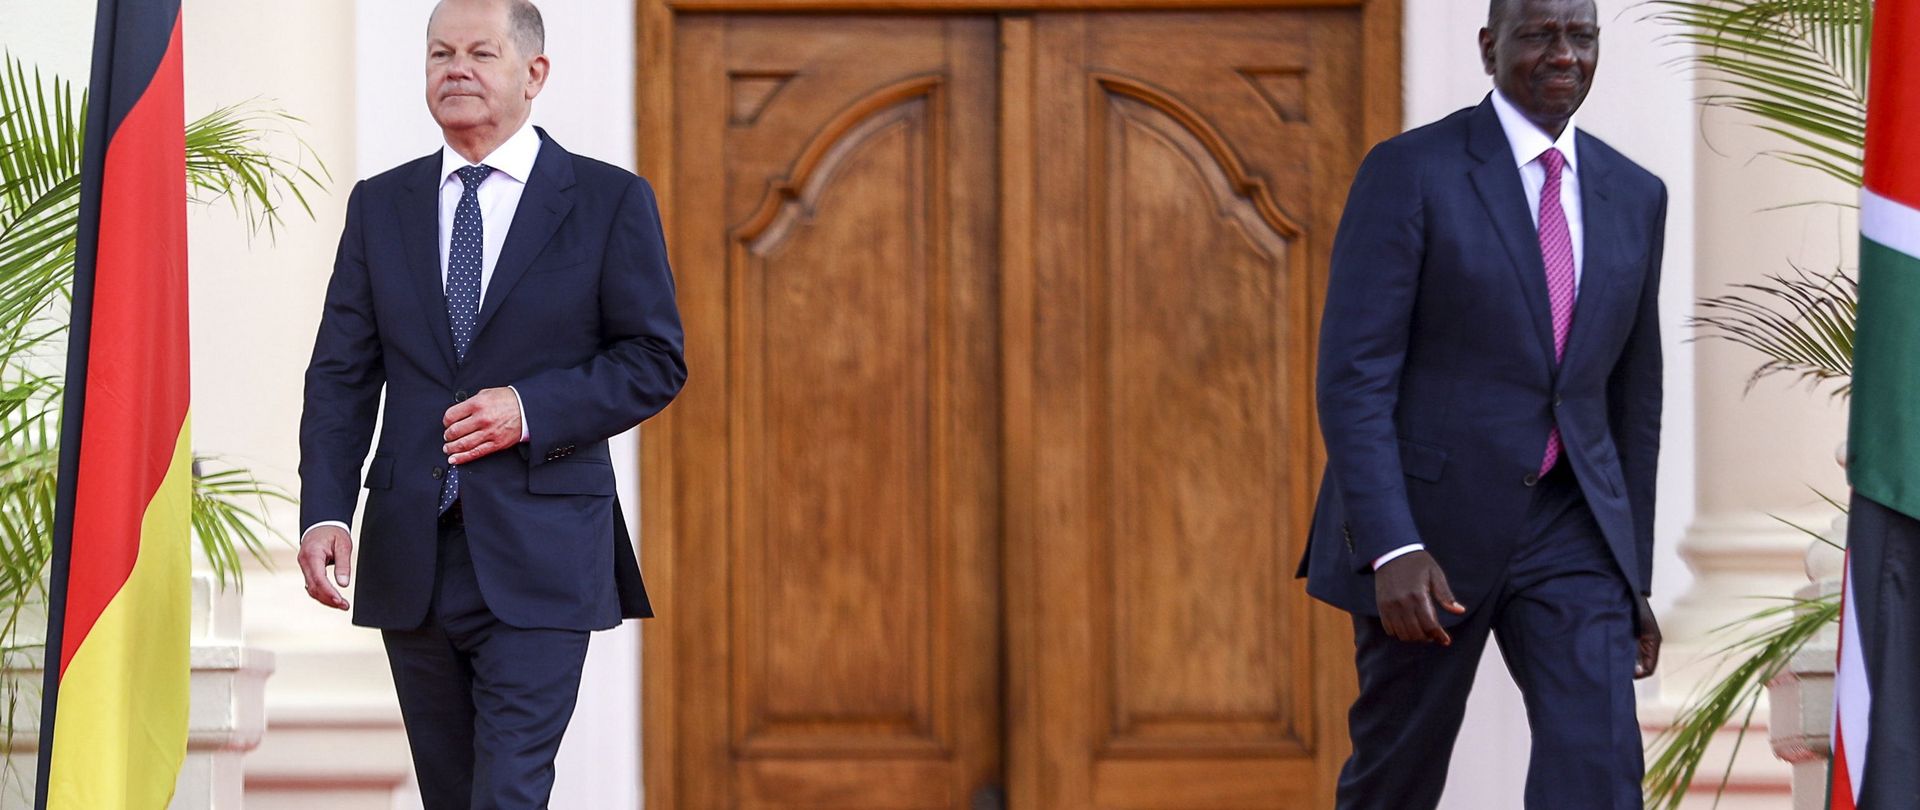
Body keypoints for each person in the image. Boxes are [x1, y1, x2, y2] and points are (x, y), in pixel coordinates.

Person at [295, 0, 685, 806]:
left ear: (534, 73)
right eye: (440, 54)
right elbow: (341, 373)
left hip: (543, 553)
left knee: (506, 790)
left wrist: (529, 408)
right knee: (452, 795)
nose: (456, 69)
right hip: (414, 555)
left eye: (480, 52)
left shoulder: (608, 201)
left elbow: (653, 360)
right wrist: (325, 510)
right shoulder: (381, 205)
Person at [1299, 0, 1665, 807]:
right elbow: (1354, 375)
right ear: (1488, 47)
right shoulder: (1410, 171)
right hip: (1430, 534)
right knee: (1398, 773)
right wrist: (1391, 547)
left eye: (1582, 36)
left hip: (1573, 530)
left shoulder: (1637, 195)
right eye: (1539, 35)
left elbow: (1634, 400)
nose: (1564, 54)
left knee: (1598, 762)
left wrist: (1630, 574)